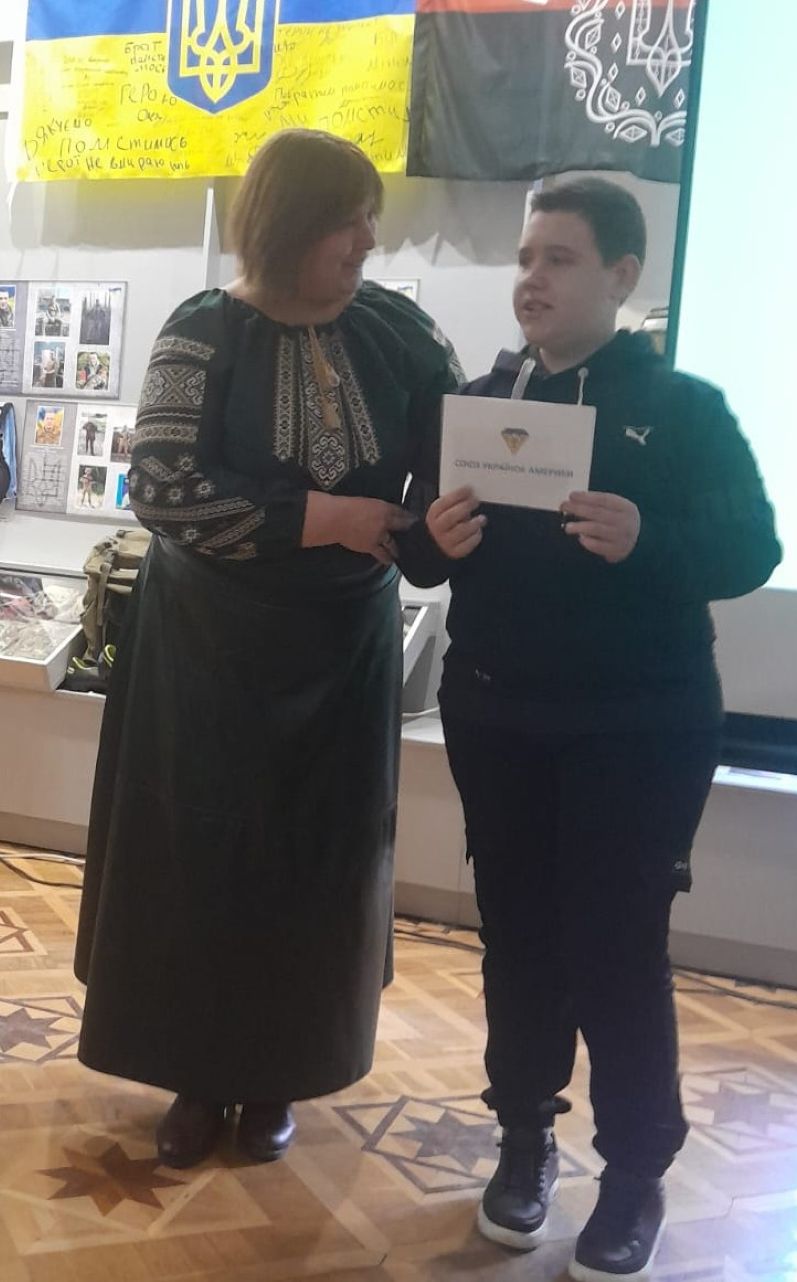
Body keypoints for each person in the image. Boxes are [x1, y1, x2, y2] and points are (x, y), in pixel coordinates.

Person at [401, 177, 782, 1280]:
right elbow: (420, 555)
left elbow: (753, 550)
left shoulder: (688, 408)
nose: (532, 279)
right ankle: (524, 1142)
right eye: (526, 258)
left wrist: (649, 537)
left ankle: (634, 1174)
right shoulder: (476, 402)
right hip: (498, 715)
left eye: (559, 259)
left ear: (621, 277)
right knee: (517, 937)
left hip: (639, 726)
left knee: (617, 946)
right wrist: (431, 538)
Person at [74, 129, 463, 1171]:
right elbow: (162, 487)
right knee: (203, 859)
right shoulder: (202, 330)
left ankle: (281, 1071)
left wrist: (430, 536)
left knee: (318, 863)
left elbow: (454, 471)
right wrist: (324, 518)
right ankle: (198, 1075)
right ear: (290, 225)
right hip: (209, 654)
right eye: (350, 219)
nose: (368, 239)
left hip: (341, 653)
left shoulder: (401, 335)